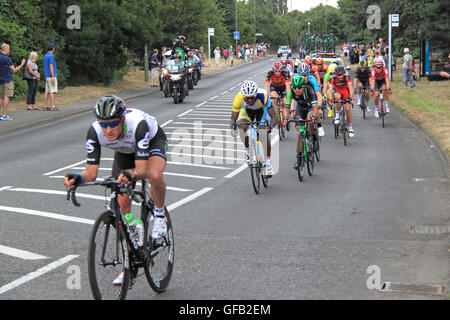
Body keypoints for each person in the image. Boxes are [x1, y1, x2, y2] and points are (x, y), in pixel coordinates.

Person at [64, 94, 169, 237]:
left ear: (122, 120)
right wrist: (78, 178)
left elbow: (142, 169)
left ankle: (159, 216)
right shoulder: (94, 132)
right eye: (103, 124)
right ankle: (129, 245)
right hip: (125, 151)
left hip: (152, 142)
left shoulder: (138, 125)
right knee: (121, 206)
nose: (108, 130)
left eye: (113, 124)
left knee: (154, 175)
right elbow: (91, 173)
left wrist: (131, 174)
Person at [230, 80, 277, 175]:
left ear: (255, 94)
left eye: (252, 97)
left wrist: (270, 127)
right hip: (247, 111)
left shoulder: (263, 96)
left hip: (261, 110)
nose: (249, 100)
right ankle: (247, 150)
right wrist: (233, 128)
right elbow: (233, 118)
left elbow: (274, 116)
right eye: (247, 98)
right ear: (243, 96)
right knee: (241, 126)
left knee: (263, 133)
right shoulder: (239, 98)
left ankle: (268, 162)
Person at [286, 75, 320, 169]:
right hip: (300, 108)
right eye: (295, 87)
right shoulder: (291, 92)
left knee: (309, 122)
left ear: (303, 86)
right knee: (299, 131)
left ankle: (314, 138)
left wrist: (313, 115)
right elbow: (287, 106)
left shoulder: (309, 90)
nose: (297, 90)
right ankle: (299, 158)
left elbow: (315, 106)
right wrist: (286, 117)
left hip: (310, 107)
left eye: (299, 87)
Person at [0, 43, 26, 120]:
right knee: (6, 96)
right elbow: (14, 70)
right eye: (9, 49)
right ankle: (4, 114)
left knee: (1, 97)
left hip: (0, 79)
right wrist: (22, 64)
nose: (9, 50)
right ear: (6, 49)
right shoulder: (7, 59)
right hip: (7, 79)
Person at [328, 66, 355, 138]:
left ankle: (350, 127)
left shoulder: (347, 77)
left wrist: (351, 97)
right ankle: (337, 114)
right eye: (338, 75)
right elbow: (330, 90)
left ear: (344, 73)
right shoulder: (332, 78)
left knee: (347, 109)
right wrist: (330, 99)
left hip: (345, 91)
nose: (340, 76)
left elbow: (350, 88)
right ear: (335, 74)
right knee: (337, 97)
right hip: (337, 91)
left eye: (341, 74)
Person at [264, 62, 291, 129]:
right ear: (273, 70)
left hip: (283, 87)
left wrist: (288, 95)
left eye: (279, 71)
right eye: (275, 71)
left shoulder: (285, 73)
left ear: (281, 70)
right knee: (274, 99)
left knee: (285, 101)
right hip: (274, 87)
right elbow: (266, 86)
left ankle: (286, 117)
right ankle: (276, 115)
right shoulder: (269, 74)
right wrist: (265, 95)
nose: (277, 73)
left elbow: (287, 85)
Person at [43, 43, 60, 111]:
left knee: (46, 91)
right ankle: (52, 106)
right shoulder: (51, 56)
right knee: (52, 91)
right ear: (53, 49)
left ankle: (45, 105)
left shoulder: (45, 56)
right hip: (51, 76)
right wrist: (53, 76)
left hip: (47, 76)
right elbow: (51, 66)